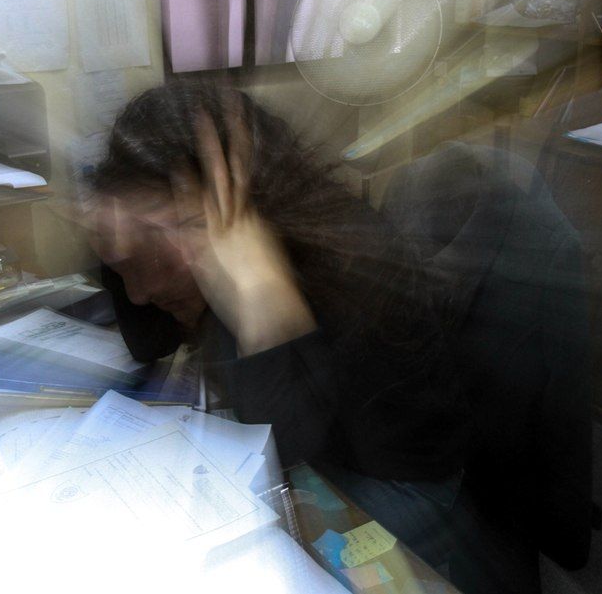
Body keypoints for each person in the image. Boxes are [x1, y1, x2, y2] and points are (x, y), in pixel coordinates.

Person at [83, 80, 470, 565]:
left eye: (162, 240)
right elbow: (148, 342)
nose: (140, 291)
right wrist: (117, 252)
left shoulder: (331, 266)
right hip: (316, 453)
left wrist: (263, 305)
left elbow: (276, 454)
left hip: (400, 485)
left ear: (235, 202)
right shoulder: (218, 250)